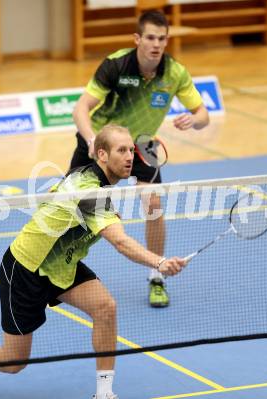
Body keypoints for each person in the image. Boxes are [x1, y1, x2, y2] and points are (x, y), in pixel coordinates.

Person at [0, 125, 187, 399]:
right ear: (102, 154)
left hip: (62, 265)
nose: (130, 157)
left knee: (105, 308)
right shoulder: (90, 191)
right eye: (121, 150)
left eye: (131, 150)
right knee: (14, 361)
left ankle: (104, 393)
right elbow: (121, 242)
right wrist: (158, 262)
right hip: (26, 268)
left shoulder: (89, 178)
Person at [70, 10, 209, 308]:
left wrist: (194, 120)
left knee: (154, 204)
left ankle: (156, 274)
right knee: (72, 209)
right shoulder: (117, 65)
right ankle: (57, 268)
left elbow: (203, 115)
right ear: (137, 39)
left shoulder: (175, 74)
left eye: (161, 38)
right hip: (102, 140)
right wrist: (93, 140)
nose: (156, 44)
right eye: (150, 37)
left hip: (143, 142)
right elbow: (81, 109)